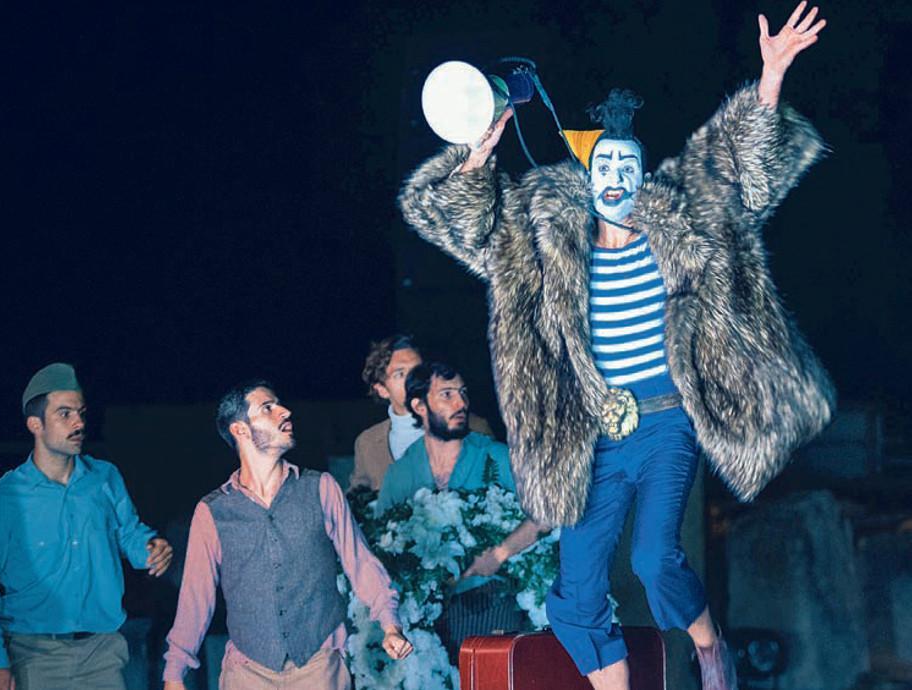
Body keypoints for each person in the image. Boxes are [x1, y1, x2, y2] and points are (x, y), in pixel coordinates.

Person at [397, 5, 832, 689]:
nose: (616, 177)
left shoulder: (680, 224)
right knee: (573, 598)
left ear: (642, 174)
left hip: (666, 423)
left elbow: (742, 176)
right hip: (594, 435)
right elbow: (467, 228)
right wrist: (477, 156)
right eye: (604, 165)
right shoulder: (545, 248)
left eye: (629, 165)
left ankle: (710, 648)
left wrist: (771, 77)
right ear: (587, 173)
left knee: (655, 560)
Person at [163, 380, 412, 690]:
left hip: (319, 667)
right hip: (247, 672)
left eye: (279, 404)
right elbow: (195, 598)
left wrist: (390, 623)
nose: (285, 411)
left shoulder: (320, 488)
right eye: (268, 408)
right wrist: (174, 673)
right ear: (240, 429)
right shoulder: (213, 511)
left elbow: (360, 562)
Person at [0, 363, 173, 690]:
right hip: (34, 655)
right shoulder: (4, 498)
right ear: (35, 424)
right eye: (64, 414)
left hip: (103, 654)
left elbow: (128, 534)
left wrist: (150, 548)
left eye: (81, 413)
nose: (79, 423)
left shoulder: (105, 478)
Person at [375, 362, 544, 661]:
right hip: (425, 616)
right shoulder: (401, 473)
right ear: (419, 406)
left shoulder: (496, 456)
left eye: (463, 393)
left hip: (492, 602)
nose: (461, 403)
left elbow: (546, 514)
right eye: (447, 394)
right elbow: (381, 551)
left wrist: (499, 554)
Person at [350, 334, 493, 491]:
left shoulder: (475, 428)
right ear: (382, 390)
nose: (413, 379)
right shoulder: (367, 443)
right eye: (400, 374)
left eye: (418, 370)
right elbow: (357, 499)